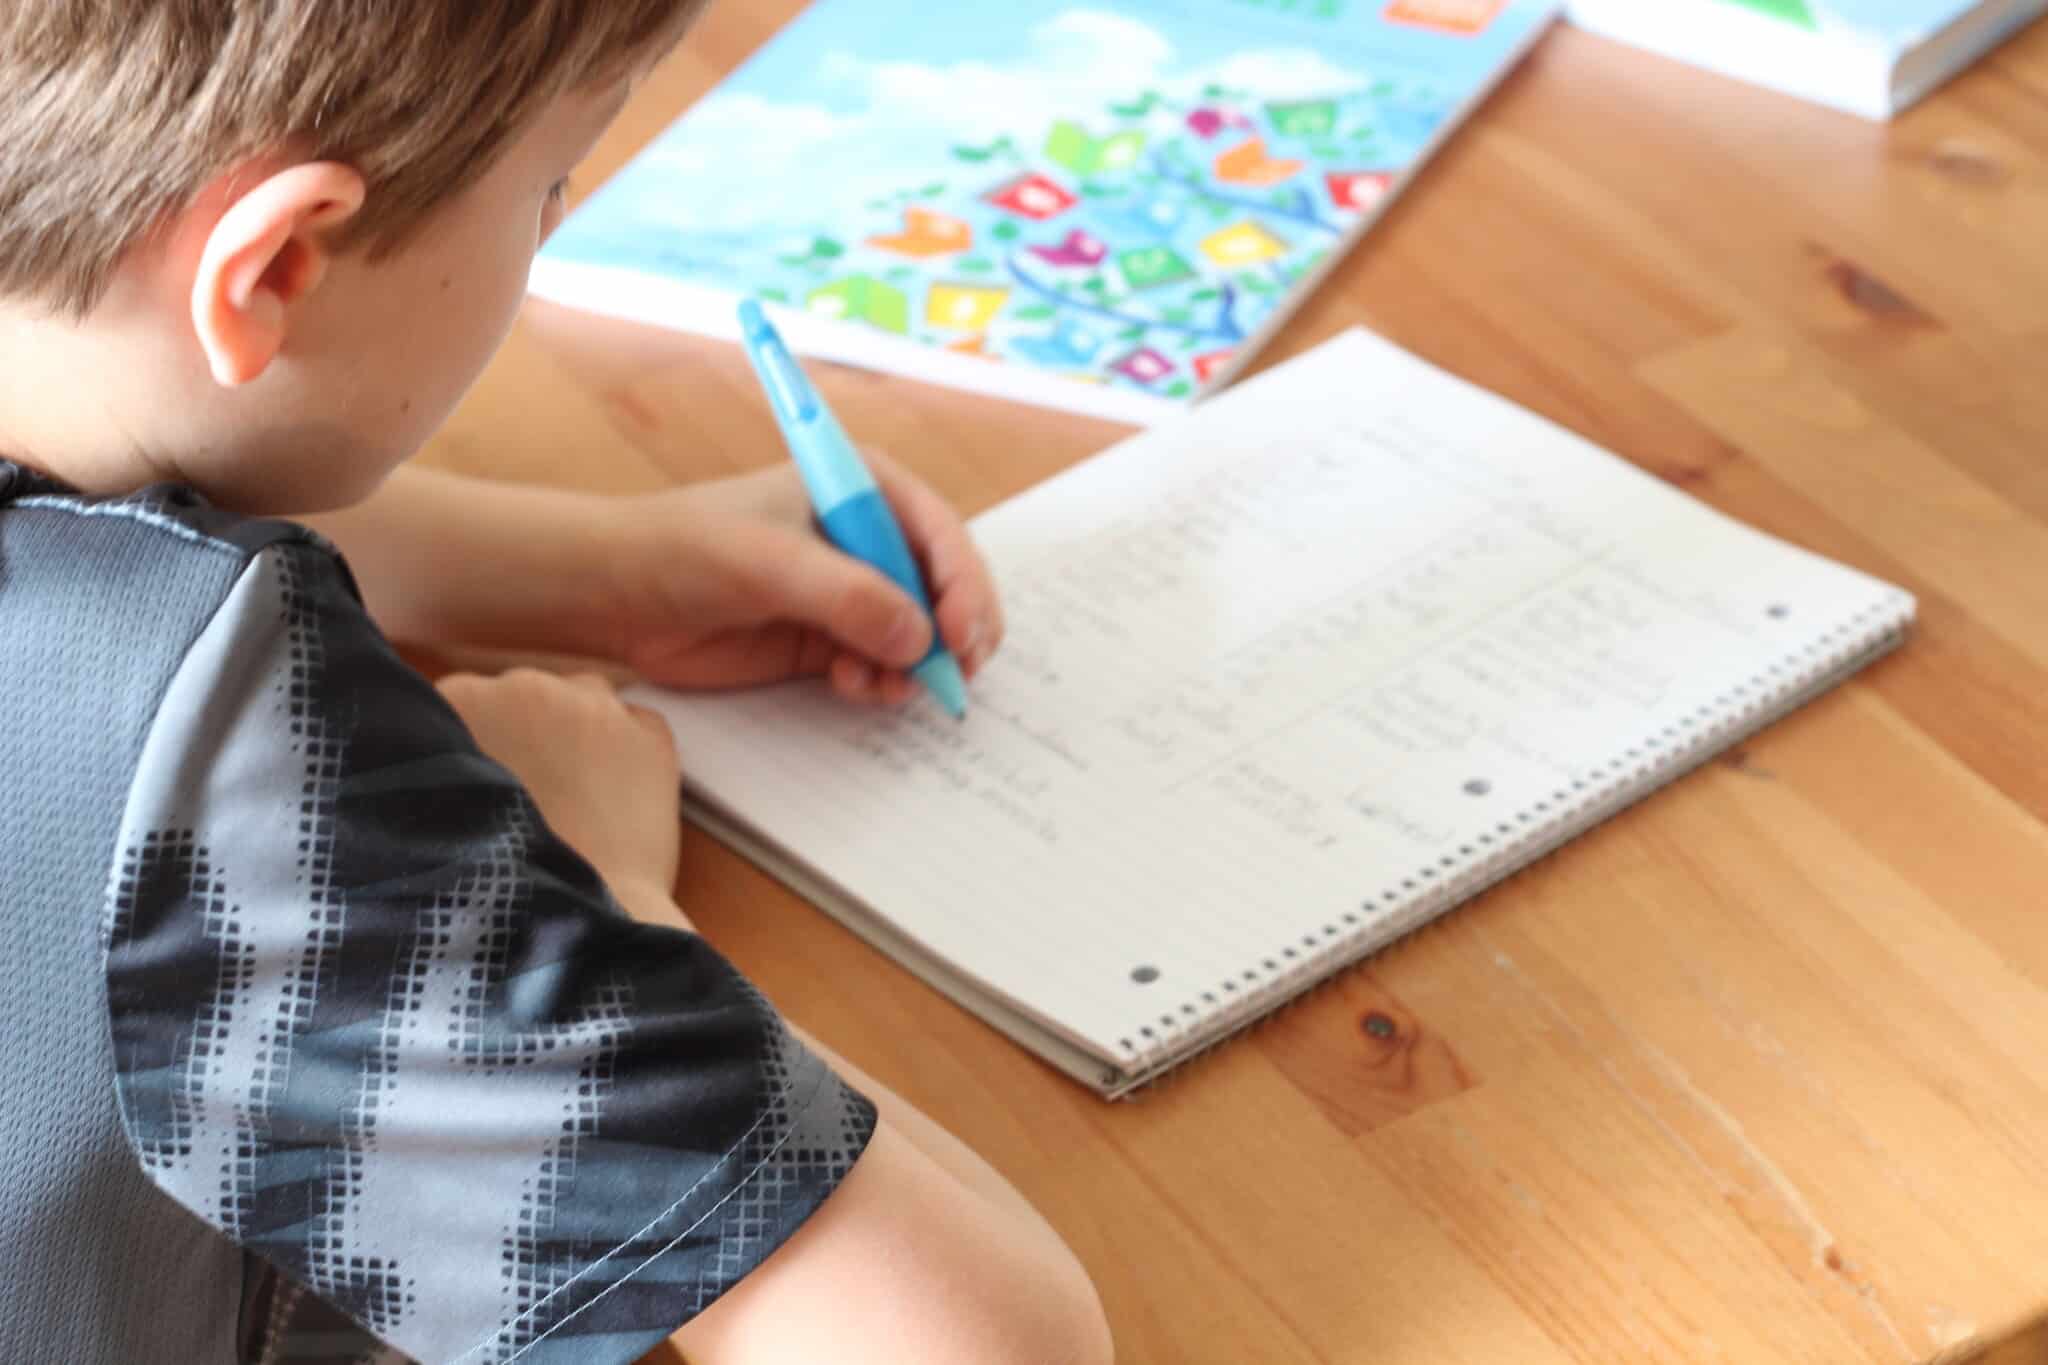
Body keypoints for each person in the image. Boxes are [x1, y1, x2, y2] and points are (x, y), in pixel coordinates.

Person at [0, 4, 1112, 1362]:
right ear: (281, 258)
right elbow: (978, 1343)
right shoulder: (204, 766)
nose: (553, 221)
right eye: (550, 184)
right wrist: (604, 877)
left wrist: (598, 570)